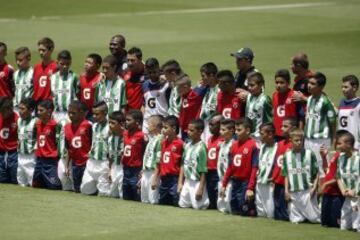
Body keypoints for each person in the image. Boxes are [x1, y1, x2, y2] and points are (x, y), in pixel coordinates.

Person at [220, 118, 258, 216]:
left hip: (245, 182)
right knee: (233, 207)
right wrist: (224, 185)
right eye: (235, 130)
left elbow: (254, 168)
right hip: (235, 181)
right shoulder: (233, 145)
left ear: (248, 130)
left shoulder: (253, 145)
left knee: (244, 209)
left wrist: (250, 187)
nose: (236, 132)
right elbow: (230, 167)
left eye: (239, 130)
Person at [283, 128, 320, 223]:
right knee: (295, 220)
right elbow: (286, 175)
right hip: (293, 192)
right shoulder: (286, 156)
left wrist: (314, 188)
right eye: (296, 140)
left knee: (314, 219)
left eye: (301, 140)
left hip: (307, 190)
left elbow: (316, 173)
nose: (299, 142)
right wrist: (286, 191)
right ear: (291, 140)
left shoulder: (309, 154)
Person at [304, 72, 336, 177]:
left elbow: (332, 122)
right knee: (309, 170)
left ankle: (323, 192)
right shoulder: (309, 99)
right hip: (307, 140)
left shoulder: (325, 102)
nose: (309, 85)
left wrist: (333, 140)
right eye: (309, 83)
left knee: (322, 171)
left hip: (321, 141)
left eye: (313, 84)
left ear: (321, 86)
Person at [152, 115, 184, 206]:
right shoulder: (162, 143)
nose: (163, 130)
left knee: (175, 201)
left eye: (165, 127)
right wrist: (155, 178)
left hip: (174, 178)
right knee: (162, 202)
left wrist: (180, 182)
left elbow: (182, 164)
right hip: (164, 178)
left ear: (174, 128)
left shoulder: (180, 144)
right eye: (162, 127)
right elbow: (159, 162)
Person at [80, 101, 111, 196]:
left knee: (104, 193)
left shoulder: (111, 127)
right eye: (93, 113)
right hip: (92, 161)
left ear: (105, 113)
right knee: (85, 189)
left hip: (104, 162)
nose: (94, 116)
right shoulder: (94, 126)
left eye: (97, 114)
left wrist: (110, 167)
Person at [178, 119, 209, 209]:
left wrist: (201, 188)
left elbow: (204, 169)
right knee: (182, 204)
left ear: (200, 131)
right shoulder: (187, 145)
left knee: (198, 206)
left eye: (192, 130)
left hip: (197, 182)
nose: (188, 132)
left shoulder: (202, 147)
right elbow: (183, 165)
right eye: (188, 130)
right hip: (187, 181)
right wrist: (180, 182)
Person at [272, 117, 298, 221]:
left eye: (285, 126)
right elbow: (276, 163)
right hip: (277, 181)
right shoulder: (279, 144)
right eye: (282, 126)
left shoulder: (295, 145)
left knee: (285, 212)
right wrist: (273, 179)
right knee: (277, 211)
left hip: (287, 183)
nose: (282, 128)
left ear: (294, 128)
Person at [32, 100, 62, 190]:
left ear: (49, 111)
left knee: (54, 186)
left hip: (50, 160)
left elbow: (59, 143)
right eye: (38, 110)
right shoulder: (37, 123)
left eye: (41, 110)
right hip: (39, 159)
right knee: (35, 184)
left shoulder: (55, 125)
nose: (38, 113)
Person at [319, 130, 346, 228]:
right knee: (325, 223)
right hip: (327, 194)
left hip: (336, 195)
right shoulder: (335, 155)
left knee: (335, 224)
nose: (335, 143)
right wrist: (323, 158)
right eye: (335, 141)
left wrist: (325, 184)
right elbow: (327, 171)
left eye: (338, 142)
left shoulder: (343, 157)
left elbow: (340, 177)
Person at [63, 101, 92, 192]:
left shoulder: (88, 125)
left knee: (86, 189)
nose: (70, 115)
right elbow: (68, 149)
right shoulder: (66, 127)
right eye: (69, 113)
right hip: (75, 163)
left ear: (81, 113)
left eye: (73, 113)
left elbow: (93, 143)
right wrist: (67, 165)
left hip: (87, 162)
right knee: (77, 188)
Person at [336, 131, 360, 231]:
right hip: (347, 195)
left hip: (357, 196)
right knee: (344, 226)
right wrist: (343, 190)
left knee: (357, 227)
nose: (337, 146)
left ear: (349, 144)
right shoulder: (341, 158)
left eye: (339, 143)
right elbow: (338, 177)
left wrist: (355, 190)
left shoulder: (358, 158)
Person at [122, 110, 146, 201]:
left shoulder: (142, 136)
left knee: (135, 193)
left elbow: (145, 152)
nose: (126, 122)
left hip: (136, 169)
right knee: (125, 193)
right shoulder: (124, 133)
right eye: (126, 120)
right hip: (126, 168)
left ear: (137, 122)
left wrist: (142, 169)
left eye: (129, 120)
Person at [272, 69, 303, 139]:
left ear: (288, 83)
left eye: (282, 82)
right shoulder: (274, 95)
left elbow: (301, 116)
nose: (278, 85)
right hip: (277, 134)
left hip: (291, 134)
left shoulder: (294, 95)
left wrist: (300, 132)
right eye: (277, 82)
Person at [51, 50, 80, 125]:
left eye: (67, 64)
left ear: (70, 63)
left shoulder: (74, 77)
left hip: (70, 114)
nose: (65, 66)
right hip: (56, 114)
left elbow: (78, 95)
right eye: (62, 64)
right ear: (57, 62)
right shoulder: (53, 77)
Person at [142, 57, 170, 134]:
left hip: (162, 120)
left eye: (154, 72)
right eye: (149, 72)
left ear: (158, 69)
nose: (152, 75)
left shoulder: (166, 84)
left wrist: (167, 79)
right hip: (148, 122)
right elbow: (144, 104)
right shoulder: (145, 85)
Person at [256, 123, 277, 218]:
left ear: (270, 134)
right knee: (260, 213)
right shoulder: (262, 147)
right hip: (260, 183)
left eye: (262, 134)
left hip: (270, 185)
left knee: (271, 213)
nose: (260, 136)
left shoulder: (278, 148)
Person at [245, 72, 273, 145]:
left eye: (252, 85)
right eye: (248, 85)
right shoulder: (248, 97)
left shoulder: (265, 99)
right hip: (248, 136)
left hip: (260, 138)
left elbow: (269, 119)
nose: (249, 88)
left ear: (261, 85)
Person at [177, 74, 207, 140]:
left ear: (185, 87)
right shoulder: (184, 95)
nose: (177, 90)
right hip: (183, 130)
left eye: (178, 87)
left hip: (192, 130)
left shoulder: (196, 94)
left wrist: (204, 84)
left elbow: (207, 86)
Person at [141, 115, 163, 204]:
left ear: (156, 126)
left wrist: (155, 176)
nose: (147, 126)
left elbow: (158, 159)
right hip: (146, 172)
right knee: (144, 199)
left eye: (149, 124)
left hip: (153, 173)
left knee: (153, 200)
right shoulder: (151, 139)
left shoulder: (160, 139)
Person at [17, 98, 37, 187]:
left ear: (31, 110)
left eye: (23, 109)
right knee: (21, 182)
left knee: (32, 182)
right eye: (19, 108)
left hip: (31, 156)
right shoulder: (19, 120)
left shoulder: (36, 121)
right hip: (20, 155)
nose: (20, 111)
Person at [217, 119, 235, 213]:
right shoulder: (222, 144)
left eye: (223, 130)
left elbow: (231, 165)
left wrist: (226, 181)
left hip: (229, 180)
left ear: (231, 131)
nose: (221, 132)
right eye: (220, 129)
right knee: (220, 206)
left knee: (229, 206)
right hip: (221, 178)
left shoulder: (233, 145)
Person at [337, 75, 360, 150]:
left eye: (346, 87)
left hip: (355, 145)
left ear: (354, 88)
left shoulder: (358, 103)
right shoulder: (342, 102)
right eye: (342, 87)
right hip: (342, 143)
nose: (343, 89)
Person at [206, 114, 223, 209]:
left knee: (217, 191)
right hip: (209, 170)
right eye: (209, 124)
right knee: (210, 191)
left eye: (212, 124)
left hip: (218, 171)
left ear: (220, 125)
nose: (210, 127)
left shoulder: (224, 140)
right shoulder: (209, 139)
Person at [33, 37, 57, 104]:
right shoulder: (36, 67)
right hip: (37, 103)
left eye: (43, 50)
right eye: (39, 50)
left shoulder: (56, 67)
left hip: (48, 104)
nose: (41, 52)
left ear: (51, 50)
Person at [79, 53, 103, 120]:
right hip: (84, 111)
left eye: (90, 63)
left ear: (97, 66)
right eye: (86, 62)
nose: (86, 64)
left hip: (95, 111)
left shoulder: (101, 77)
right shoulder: (81, 77)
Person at [199, 62, 219, 142]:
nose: (202, 78)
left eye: (203, 76)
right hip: (204, 125)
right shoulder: (206, 88)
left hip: (212, 126)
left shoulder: (220, 90)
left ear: (211, 75)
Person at [0, 97, 18, 184]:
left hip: (14, 153)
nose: (2, 113)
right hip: (1, 153)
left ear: (11, 109)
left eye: (4, 111)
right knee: (2, 179)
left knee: (15, 178)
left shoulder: (18, 119)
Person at [108, 111, 126, 198]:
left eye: (113, 123)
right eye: (109, 122)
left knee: (122, 194)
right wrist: (109, 170)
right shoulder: (110, 138)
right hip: (114, 167)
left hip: (124, 168)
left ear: (121, 123)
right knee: (112, 194)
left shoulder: (127, 136)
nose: (110, 125)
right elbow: (110, 156)